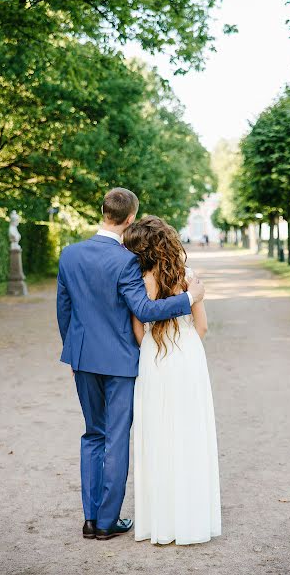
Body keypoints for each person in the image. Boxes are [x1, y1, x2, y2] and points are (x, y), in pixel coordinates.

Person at [56, 188, 205, 541]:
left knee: (93, 434)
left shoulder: (70, 254)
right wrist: (189, 298)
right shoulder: (126, 260)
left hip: (82, 358)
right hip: (121, 361)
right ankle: (107, 523)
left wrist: (75, 348)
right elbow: (145, 311)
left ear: (102, 211)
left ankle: (90, 519)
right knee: (116, 438)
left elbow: (64, 310)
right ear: (130, 218)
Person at [124, 216, 221, 545]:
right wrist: (186, 346)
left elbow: (139, 331)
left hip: (155, 359)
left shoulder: (139, 281)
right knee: (190, 435)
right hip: (189, 357)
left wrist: (153, 349)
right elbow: (203, 326)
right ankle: (193, 519)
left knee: (158, 435)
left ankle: (160, 523)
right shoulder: (189, 278)